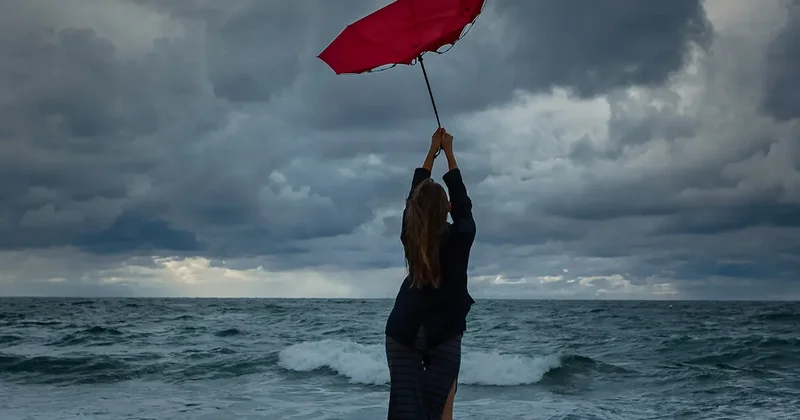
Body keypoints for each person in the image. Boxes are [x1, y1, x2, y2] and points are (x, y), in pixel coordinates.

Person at [384, 127, 476, 420]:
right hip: (444, 332)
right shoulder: (461, 235)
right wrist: (448, 153)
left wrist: (431, 152)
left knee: (404, 411)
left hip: (402, 328)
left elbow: (414, 198)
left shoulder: (409, 234)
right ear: (447, 207)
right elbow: (463, 206)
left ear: (414, 212)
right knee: (442, 410)